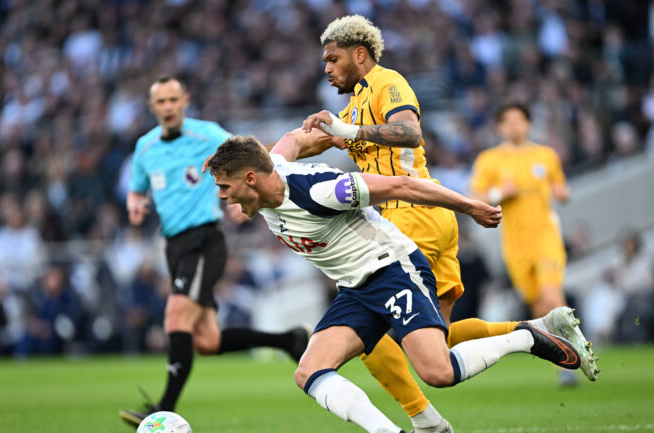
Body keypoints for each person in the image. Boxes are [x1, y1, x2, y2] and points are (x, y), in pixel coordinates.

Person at [293, 15, 597, 431]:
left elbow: (410, 132)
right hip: (427, 217)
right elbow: (306, 144)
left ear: (359, 54)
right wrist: (251, 162)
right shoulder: (354, 104)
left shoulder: (388, 83)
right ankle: (536, 329)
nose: (326, 69)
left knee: (370, 336)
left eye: (332, 59)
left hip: (407, 218)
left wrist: (347, 128)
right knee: (438, 337)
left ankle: (426, 421)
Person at [206, 135, 586, 433]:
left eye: (225, 188)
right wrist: (323, 131)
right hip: (356, 289)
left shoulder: (323, 191)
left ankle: (526, 337)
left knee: (438, 373)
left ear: (251, 179)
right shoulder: (272, 169)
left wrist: (470, 207)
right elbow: (292, 140)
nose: (225, 200)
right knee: (308, 371)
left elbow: (404, 185)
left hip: (393, 271)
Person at [119, 76, 309, 427]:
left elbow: (250, 154)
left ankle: (163, 410)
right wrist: (135, 204)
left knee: (175, 316)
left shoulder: (206, 134)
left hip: (204, 240)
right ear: (152, 107)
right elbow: (137, 189)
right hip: (174, 246)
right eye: (161, 102)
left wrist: (250, 191)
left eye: (174, 99)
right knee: (207, 341)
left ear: (185, 100)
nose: (168, 107)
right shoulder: (145, 148)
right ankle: (289, 339)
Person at [469, 102, 576, 384]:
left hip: (546, 237)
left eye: (520, 120)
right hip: (515, 245)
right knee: (539, 305)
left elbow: (561, 187)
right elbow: (476, 196)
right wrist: (498, 192)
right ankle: (563, 359)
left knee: (552, 296)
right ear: (500, 127)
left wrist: (563, 192)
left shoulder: (546, 155)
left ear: (528, 124)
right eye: (509, 121)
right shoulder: (489, 160)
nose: (515, 126)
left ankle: (574, 359)